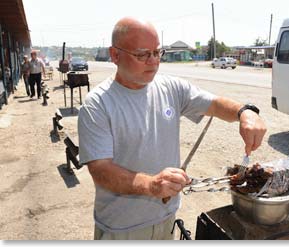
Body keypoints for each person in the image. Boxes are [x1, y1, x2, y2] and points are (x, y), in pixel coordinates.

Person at [78, 17, 267, 240]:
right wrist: (152, 185)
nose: (153, 61)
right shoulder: (97, 105)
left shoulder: (170, 88)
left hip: (166, 218)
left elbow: (214, 104)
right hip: (122, 228)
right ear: (115, 55)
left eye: (158, 52)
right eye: (142, 54)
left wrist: (245, 112)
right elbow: (101, 171)